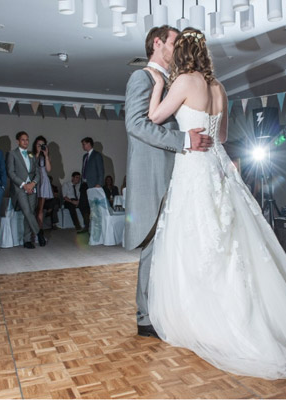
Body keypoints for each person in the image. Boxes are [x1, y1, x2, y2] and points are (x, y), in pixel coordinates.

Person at [143, 27, 286, 380]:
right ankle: (254, 316)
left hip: (194, 166)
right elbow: (222, 137)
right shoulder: (219, 88)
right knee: (230, 239)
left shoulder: (183, 82)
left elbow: (154, 118)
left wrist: (158, 84)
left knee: (196, 239)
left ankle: (207, 320)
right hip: (218, 165)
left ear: (183, 54)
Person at [124, 25, 211, 340]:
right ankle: (145, 317)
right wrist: (184, 139)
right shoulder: (142, 78)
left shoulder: (176, 82)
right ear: (157, 43)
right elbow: (136, 125)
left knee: (172, 249)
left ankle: (167, 309)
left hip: (182, 177)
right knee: (153, 249)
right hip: (154, 177)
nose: (180, 47)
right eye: (176, 42)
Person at [6, 131, 46, 249]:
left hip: (32, 188)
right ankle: (39, 232)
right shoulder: (12, 154)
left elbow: (37, 173)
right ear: (18, 141)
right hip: (20, 188)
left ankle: (27, 240)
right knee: (27, 211)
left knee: (30, 213)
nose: (26, 142)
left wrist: (33, 184)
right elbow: (11, 173)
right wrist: (24, 185)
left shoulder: (31, 155)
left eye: (27, 139)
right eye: (23, 140)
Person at [78, 137, 104, 233]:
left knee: (93, 206)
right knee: (82, 205)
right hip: (84, 184)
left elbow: (101, 171)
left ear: (89, 144)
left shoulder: (97, 155)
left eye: (84, 144)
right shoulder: (85, 156)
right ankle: (87, 225)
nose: (83, 146)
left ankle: (95, 227)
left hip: (93, 184)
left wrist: (99, 183)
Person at [32, 136, 53, 230]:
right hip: (33, 181)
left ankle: (39, 232)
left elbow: (48, 169)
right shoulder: (31, 155)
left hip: (43, 181)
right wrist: (37, 153)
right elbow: (31, 167)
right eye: (38, 145)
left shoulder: (45, 157)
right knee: (32, 208)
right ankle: (32, 231)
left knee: (40, 209)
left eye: (42, 145)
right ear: (35, 145)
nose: (40, 147)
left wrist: (46, 155)